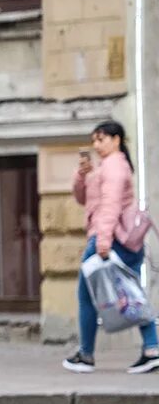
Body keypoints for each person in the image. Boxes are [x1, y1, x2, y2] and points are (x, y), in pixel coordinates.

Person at [64, 120, 159, 374]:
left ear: (116, 140)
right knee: (132, 293)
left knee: (86, 296)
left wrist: (102, 242)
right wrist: (82, 174)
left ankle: (86, 355)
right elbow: (82, 198)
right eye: (94, 140)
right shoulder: (105, 167)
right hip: (115, 239)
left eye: (101, 139)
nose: (96, 144)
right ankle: (151, 349)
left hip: (109, 238)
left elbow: (110, 206)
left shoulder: (115, 166)